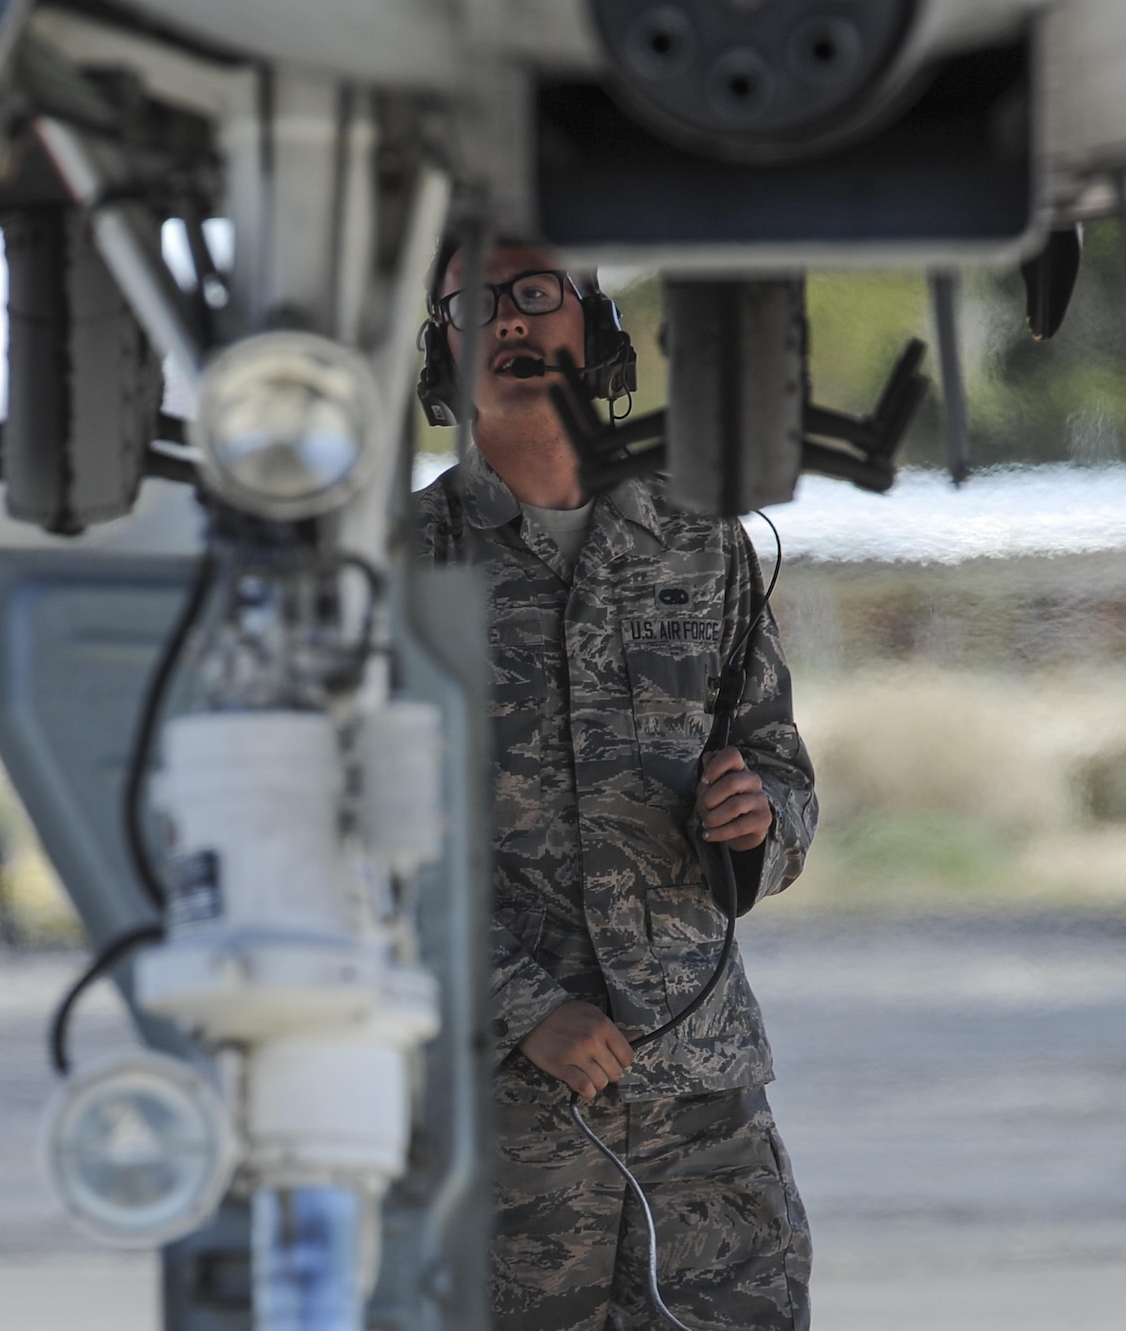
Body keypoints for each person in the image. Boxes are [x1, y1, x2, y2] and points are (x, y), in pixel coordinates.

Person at [414, 238, 818, 1331]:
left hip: (701, 1102)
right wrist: (523, 1008)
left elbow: (780, 765)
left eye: (533, 293)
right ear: (436, 356)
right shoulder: (398, 562)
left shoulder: (696, 540)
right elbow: (349, 842)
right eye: (470, 305)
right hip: (502, 1118)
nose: (506, 321)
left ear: (591, 327)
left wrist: (758, 822)